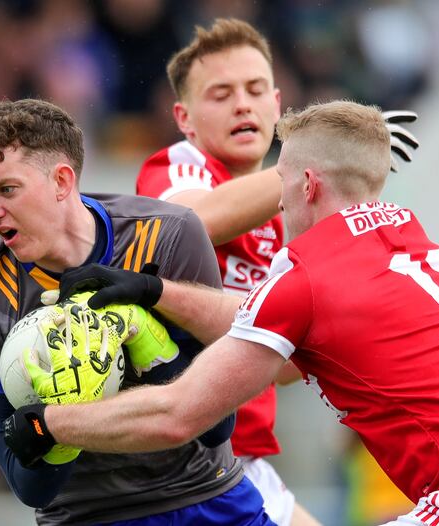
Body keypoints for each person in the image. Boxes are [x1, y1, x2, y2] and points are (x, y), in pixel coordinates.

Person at [4, 100, 439, 525]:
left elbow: (178, 414)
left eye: (283, 185)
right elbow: (271, 322)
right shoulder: (410, 238)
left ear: (310, 186)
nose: (278, 204)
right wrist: (157, 292)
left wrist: (50, 425)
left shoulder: (306, 274)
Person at [0, 98, 277, 525]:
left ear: (62, 181)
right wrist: (68, 405)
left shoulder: (168, 235)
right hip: (86, 517)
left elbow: (216, 424)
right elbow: (29, 487)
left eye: (7, 190)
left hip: (208, 498)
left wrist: (142, 330)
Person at [133, 18, 310, 526]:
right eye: (221, 94)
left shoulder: (287, 217)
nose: (242, 104)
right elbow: (194, 221)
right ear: (184, 118)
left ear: (277, 105)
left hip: (240, 458)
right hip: (182, 463)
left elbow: (289, 367)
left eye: (256, 90)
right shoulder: (176, 165)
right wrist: (313, 167)